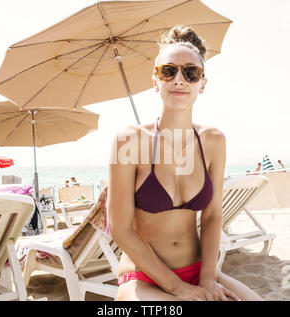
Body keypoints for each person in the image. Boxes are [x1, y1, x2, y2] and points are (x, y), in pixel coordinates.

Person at [107, 25, 263, 301]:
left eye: (191, 73)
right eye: (169, 71)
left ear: (202, 84)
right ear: (155, 81)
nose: (179, 80)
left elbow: (213, 215)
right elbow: (120, 228)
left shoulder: (213, 141)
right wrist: (176, 288)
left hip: (197, 271)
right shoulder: (128, 140)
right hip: (144, 277)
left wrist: (208, 279)